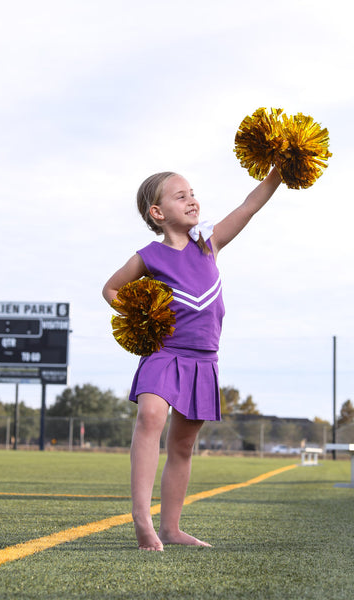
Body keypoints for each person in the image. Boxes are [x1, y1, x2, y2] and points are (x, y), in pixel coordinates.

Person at [102, 167, 282, 551]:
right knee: (151, 416)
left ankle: (171, 527)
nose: (192, 199)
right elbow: (112, 288)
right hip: (164, 352)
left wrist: (278, 173)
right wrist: (138, 315)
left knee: (183, 445)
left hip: (204, 359)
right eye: (180, 196)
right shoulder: (149, 256)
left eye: (192, 193)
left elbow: (249, 207)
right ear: (158, 213)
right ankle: (141, 520)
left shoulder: (209, 243)